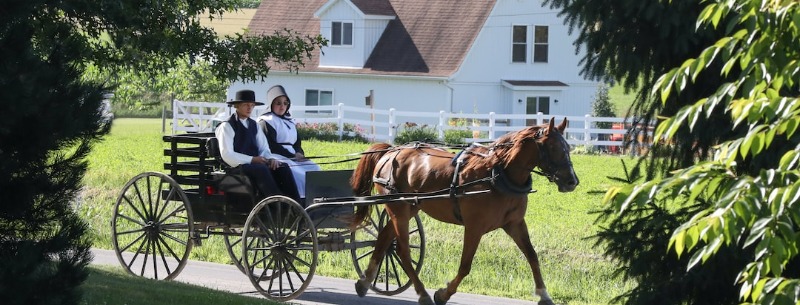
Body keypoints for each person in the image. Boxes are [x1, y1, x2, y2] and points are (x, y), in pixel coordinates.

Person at [215, 89, 301, 202]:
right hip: (236, 167)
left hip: (255, 164)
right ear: (237, 106)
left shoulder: (254, 125)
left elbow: (264, 148)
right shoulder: (227, 126)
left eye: (252, 105)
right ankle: (276, 203)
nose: (249, 108)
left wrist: (270, 159)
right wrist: (252, 160)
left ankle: (295, 203)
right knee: (261, 170)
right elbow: (227, 155)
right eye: (246, 105)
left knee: (282, 167)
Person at [257, 85, 321, 200]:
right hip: (276, 156)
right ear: (271, 104)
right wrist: (291, 155)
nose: (282, 106)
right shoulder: (266, 121)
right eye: (278, 103)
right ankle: (301, 201)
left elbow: (297, 143)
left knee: (315, 169)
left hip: (293, 157)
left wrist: (299, 153)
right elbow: (271, 146)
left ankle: (318, 199)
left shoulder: (290, 121)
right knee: (300, 175)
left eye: (285, 103)